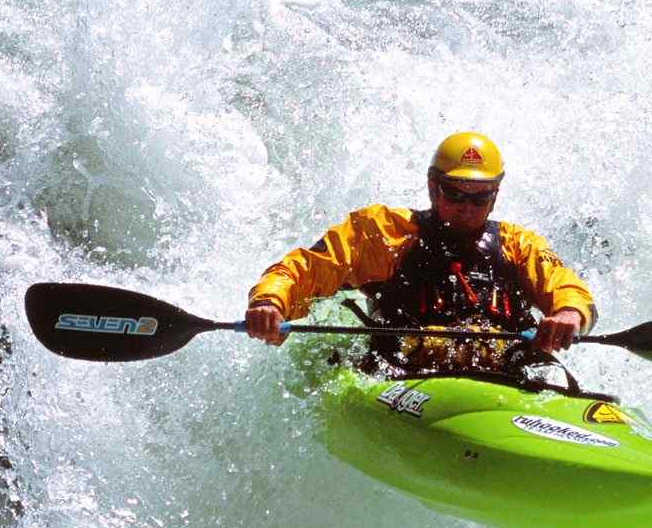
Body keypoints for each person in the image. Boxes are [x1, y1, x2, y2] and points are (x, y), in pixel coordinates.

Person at [244, 132, 594, 373]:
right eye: (454, 194)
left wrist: (568, 316)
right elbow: (303, 269)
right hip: (403, 374)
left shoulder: (519, 245)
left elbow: (570, 292)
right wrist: (270, 303)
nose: (466, 207)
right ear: (432, 185)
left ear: (496, 194)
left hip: (506, 377)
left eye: (479, 197)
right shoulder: (383, 233)